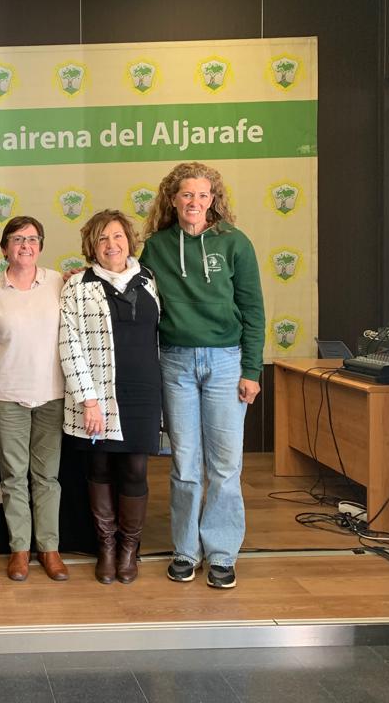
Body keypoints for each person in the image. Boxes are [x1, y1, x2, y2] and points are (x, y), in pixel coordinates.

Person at [140, 162, 264, 590]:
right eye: (187, 195)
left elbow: (253, 311)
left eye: (203, 195)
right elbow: (130, 289)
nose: (195, 202)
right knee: (185, 464)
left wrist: (251, 370)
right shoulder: (155, 247)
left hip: (227, 362)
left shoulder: (235, 244)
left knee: (226, 466)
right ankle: (185, 550)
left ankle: (223, 553)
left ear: (214, 199)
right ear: (172, 199)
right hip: (175, 362)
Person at [59, 210, 162, 585]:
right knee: (100, 467)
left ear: (129, 241)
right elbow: (69, 346)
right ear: (92, 246)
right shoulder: (77, 285)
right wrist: (88, 399)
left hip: (143, 390)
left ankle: (128, 549)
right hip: (97, 394)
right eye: (102, 239)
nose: (111, 245)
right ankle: (105, 546)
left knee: (135, 470)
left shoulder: (150, 279)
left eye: (117, 236)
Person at [0, 216, 68, 582]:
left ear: (40, 245)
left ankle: (50, 549)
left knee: (47, 477)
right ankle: (20, 550)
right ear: (4, 248)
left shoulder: (59, 282)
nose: (25, 246)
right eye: (17, 239)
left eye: (32, 239)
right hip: (4, 395)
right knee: (13, 477)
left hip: (52, 395)